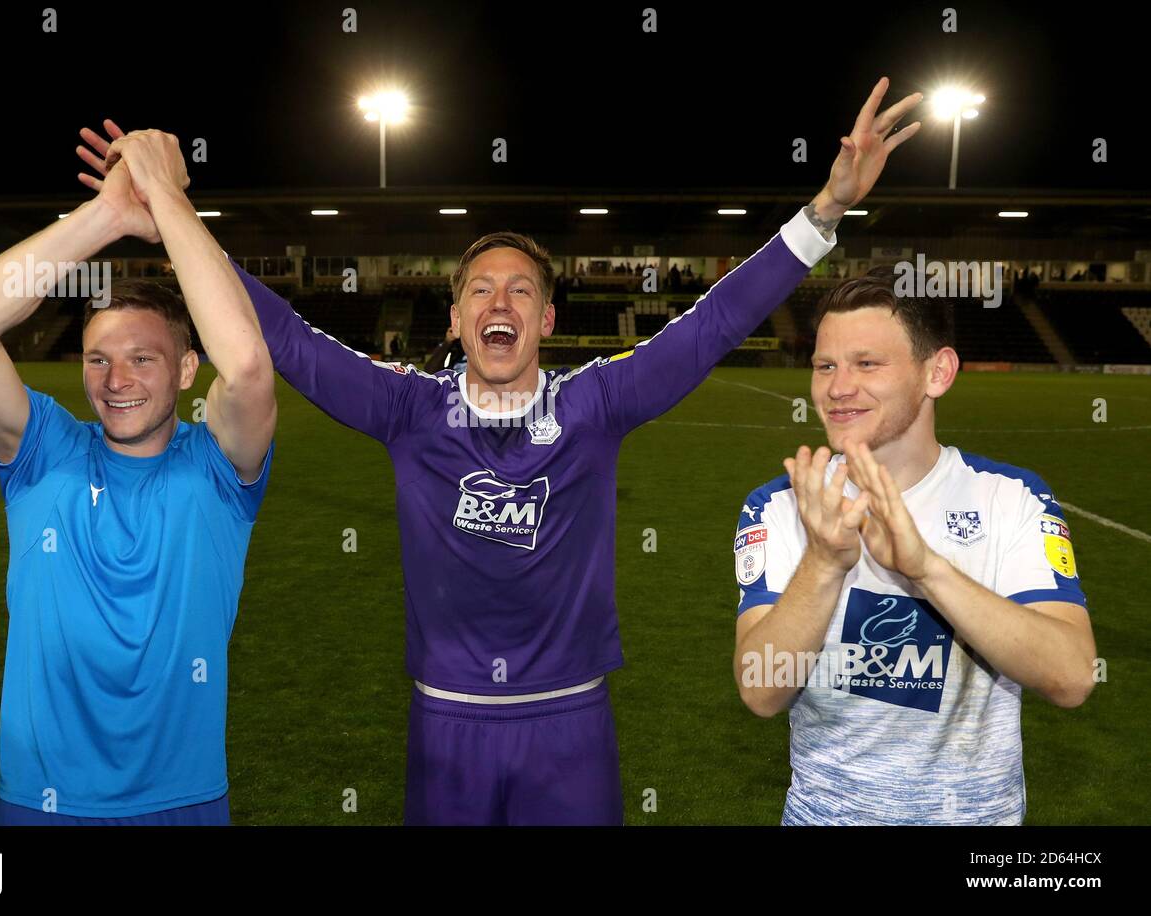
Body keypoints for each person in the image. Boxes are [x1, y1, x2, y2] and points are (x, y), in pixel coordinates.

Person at [78, 77, 921, 826]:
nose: (500, 299)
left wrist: (826, 211)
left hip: (572, 725)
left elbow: (711, 328)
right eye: (479, 288)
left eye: (521, 288)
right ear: (455, 321)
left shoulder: (595, 405)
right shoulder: (409, 408)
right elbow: (289, 341)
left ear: (546, 321)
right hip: (446, 723)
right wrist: (176, 224)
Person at [0, 130, 276, 825]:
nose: (116, 381)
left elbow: (247, 368)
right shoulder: (44, 452)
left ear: (183, 370)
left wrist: (170, 201)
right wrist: (109, 214)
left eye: (143, 360)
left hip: (184, 802)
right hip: (42, 802)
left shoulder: (219, 467)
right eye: (97, 360)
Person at [732, 265, 1097, 825]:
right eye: (825, 365)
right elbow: (760, 691)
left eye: (867, 364)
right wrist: (825, 563)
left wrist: (928, 571)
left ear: (938, 372)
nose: (837, 387)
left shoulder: (1011, 497)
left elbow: (1072, 677)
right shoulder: (781, 505)